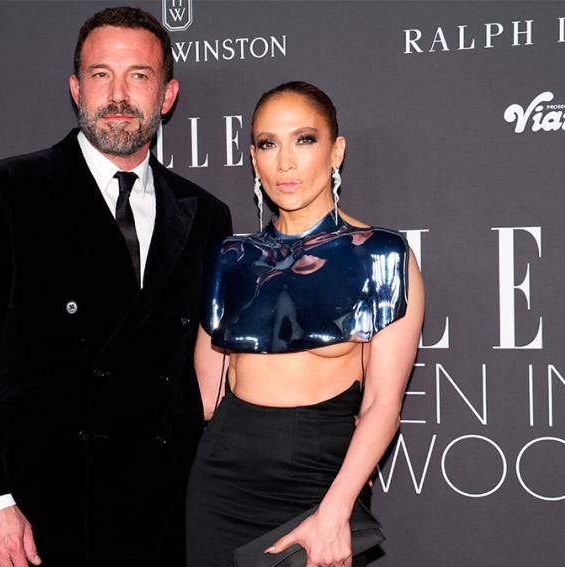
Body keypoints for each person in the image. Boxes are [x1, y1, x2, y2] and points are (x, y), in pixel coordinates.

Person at [0, 6, 232, 567]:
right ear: (76, 89)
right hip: (38, 515)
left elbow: (208, 372)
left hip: (165, 517)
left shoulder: (206, 214)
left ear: (167, 95)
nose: (118, 95)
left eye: (138, 75)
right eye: (100, 75)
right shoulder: (5, 191)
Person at [186, 81, 425, 567]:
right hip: (221, 483)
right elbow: (208, 396)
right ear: (253, 159)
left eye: (304, 140)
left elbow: (382, 404)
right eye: (268, 144)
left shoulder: (381, 255)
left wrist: (336, 513)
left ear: (336, 151)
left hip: (319, 484)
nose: (285, 163)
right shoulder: (232, 258)